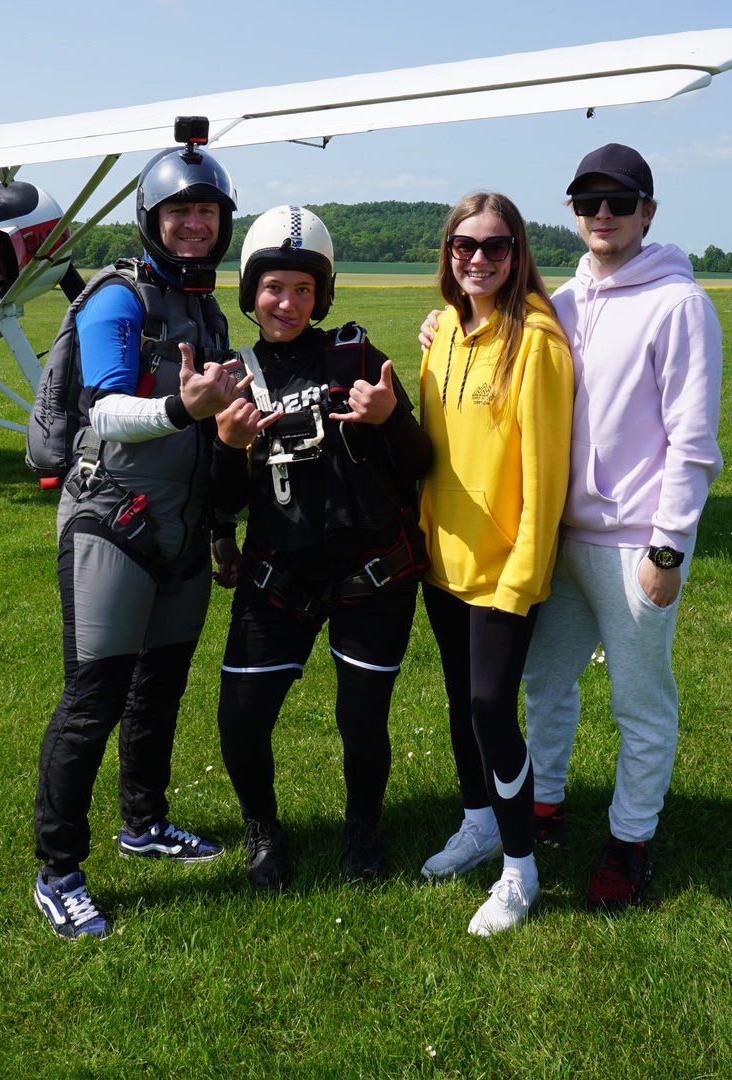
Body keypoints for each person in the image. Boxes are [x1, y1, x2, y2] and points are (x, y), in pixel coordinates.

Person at [30, 144, 244, 940]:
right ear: (151, 219)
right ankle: (59, 871)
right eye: (178, 211)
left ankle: (144, 823)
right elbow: (106, 411)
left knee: (160, 690)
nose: (193, 224)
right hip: (111, 522)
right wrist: (182, 409)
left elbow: (214, 434)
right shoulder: (116, 300)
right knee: (93, 702)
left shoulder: (207, 311)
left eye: (206, 211)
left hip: (183, 527)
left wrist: (221, 529)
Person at [519, 144, 722, 910]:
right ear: (572, 212)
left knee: (639, 703)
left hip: (639, 542)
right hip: (565, 538)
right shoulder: (565, 303)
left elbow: (692, 444)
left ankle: (629, 843)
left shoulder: (680, 304)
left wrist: (668, 550)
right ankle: (543, 806)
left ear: (648, 212)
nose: (602, 214)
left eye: (620, 201)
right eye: (587, 201)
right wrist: (442, 325)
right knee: (545, 682)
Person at [208, 205, 433, 888]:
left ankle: (362, 827)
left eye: (303, 289)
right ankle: (262, 828)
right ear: (251, 292)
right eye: (274, 288)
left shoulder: (357, 357)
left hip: (373, 576)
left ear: (322, 295)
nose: (288, 303)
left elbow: (419, 463)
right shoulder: (234, 377)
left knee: (362, 722)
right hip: (278, 577)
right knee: (240, 720)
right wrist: (228, 446)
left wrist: (389, 419)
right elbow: (223, 496)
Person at [413, 192, 573, 936]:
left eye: (495, 246)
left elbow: (545, 477)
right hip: (440, 561)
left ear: (518, 254)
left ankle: (520, 868)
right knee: (460, 702)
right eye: (464, 245)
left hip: (503, 569)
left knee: (489, 709)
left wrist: (523, 578)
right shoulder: (443, 329)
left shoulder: (537, 341)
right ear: (448, 252)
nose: (478, 259)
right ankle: (478, 822)